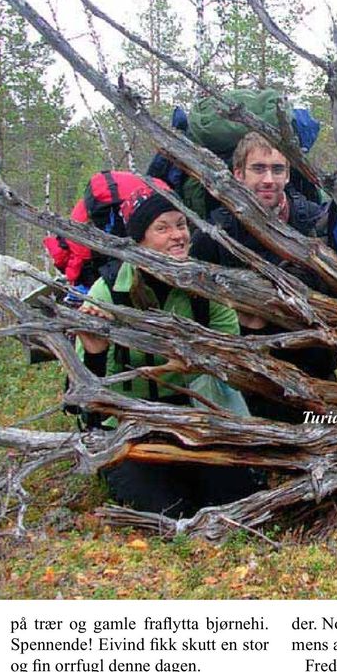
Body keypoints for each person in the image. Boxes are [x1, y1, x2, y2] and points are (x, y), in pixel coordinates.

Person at [76, 179, 260, 517]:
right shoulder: (108, 293)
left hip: (199, 421)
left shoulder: (205, 288)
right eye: (162, 228)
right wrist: (96, 351)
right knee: (168, 510)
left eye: (181, 225)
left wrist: (198, 361)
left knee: (233, 501)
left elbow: (233, 365)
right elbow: (88, 398)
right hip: (133, 429)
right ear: (140, 239)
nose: (177, 235)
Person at [190, 130, 335, 402]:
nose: (268, 179)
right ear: (238, 174)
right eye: (258, 169)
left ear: (288, 175)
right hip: (247, 383)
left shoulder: (314, 225)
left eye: (277, 170)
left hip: (314, 379)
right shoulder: (215, 235)